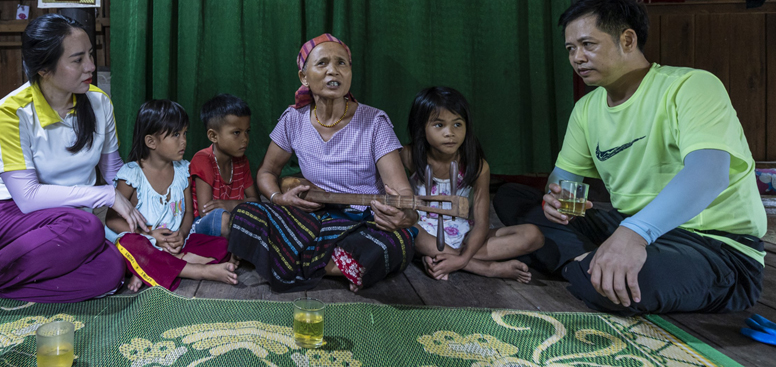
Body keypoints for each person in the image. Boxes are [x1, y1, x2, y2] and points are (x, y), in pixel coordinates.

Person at [493, 0, 767, 315]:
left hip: (715, 247)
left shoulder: (690, 85)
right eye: (570, 49)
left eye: (587, 44)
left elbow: (709, 174)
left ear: (627, 39)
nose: (577, 58)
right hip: (630, 226)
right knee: (512, 197)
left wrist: (635, 233)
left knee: (615, 288)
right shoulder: (587, 109)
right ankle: (593, 263)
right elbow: (564, 176)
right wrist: (558, 197)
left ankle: (586, 265)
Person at [227, 33, 418, 293]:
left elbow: (403, 191)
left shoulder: (374, 122)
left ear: (350, 73)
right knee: (246, 215)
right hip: (312, 218)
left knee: (394, 243)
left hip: (361, 222)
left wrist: (402, 218)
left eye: (342, 63)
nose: (334, 70)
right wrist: (279, 198)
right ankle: (336, 264)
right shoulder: (293, 119)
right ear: (304, 77)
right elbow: (267, 172)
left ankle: (295, 258)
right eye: (322, 63)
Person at [0, 13, 147, 302]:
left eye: (90, 55)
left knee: (112, 269)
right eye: (77, 60)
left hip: (68, 228)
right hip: (8, 218)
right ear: (44, 69)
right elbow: (28, 197)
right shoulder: (10, 112)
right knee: (87, 226)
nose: (90, 67)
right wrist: (102, 195)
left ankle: (0, 283)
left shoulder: (99, 102)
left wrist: (147, 218)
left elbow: (115, 169)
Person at [401, 87, 543, 283]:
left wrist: (462, 258)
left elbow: (482, 222)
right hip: (422, 236)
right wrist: (476, 264)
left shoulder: (477, 166)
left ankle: (443, 259)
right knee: (406, 227)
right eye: (439, 125)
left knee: (533, 235)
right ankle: (487, 269)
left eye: (457, 124)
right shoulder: (409, 156)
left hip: (463, 235)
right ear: (421, 127)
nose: (450, 133)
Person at [106, 100, 238, 292]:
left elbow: (187, 216)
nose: (183, 141)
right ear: (151, 141)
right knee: (127, 246)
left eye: (184, 133)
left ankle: (151, 267)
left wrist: (181, 236)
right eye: (175, 135)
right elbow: (111, 220)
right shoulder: (131, 175)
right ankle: (199, 270)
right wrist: (149, 236)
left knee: (222, 245)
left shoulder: (183, 170)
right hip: (145, 241)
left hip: (176, 245)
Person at [190, 94, 257, 238]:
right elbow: (206, 211)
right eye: (236, 133)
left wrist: (230, 205)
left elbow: (255, 201)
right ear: (213, 136)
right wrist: (240, 205)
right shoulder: (203, 159)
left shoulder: (242, 161)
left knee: (262, 215)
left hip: (234, 218)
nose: (245, 139)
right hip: (203, 224)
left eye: (247, 131)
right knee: (225, 221)